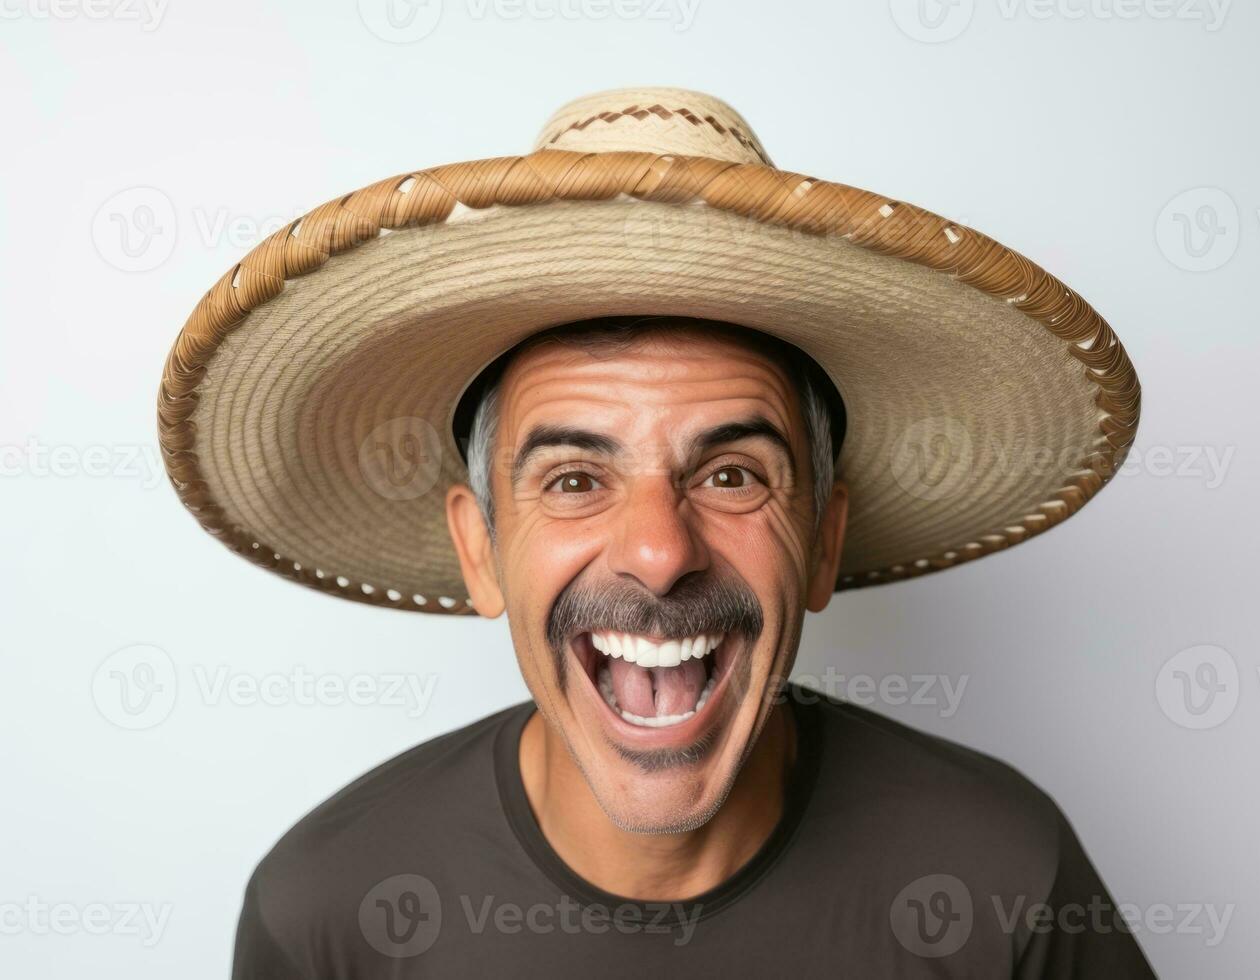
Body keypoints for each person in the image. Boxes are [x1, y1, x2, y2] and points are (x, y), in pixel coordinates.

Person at [157, 88, 1152, 976]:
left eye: (730, 474)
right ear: (478, 546)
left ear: (820, 539)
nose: (658, 549)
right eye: (576, 478)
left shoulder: (1004, 874)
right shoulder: (328, 914)